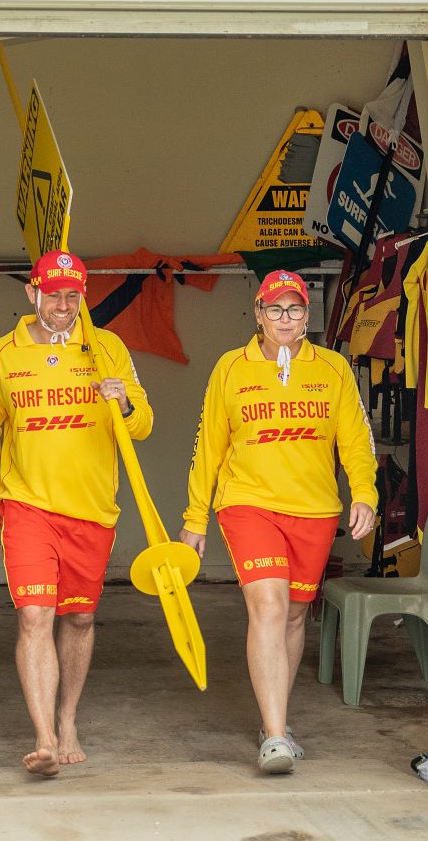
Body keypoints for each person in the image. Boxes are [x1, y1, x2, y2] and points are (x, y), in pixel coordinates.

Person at [179, 269, 377, 774]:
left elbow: (355, 441)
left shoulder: (333, 369)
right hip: (247, 503)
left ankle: (278, 722)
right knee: (268, 605)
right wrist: (194, 517)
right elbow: (209, 447)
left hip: (313, 509)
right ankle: (273, 737)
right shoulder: (231, 368)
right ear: (258, 315)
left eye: (294, 309)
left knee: (292, 615)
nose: (283, 318)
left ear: (307, 316)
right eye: (274, 309)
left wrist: (365, 493)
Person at [0, 249, 153, 777]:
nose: (63, 305)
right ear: (33, 293)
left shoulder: (107, 348)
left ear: (83, 296)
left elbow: (142, 426)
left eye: (72, 295)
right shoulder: (3, 354)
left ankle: (68, 718)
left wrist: (127, 403)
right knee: (34, 615)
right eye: (53, 294)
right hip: (25, 504)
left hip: (92, 508)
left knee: (80, 616)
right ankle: (45, 735)